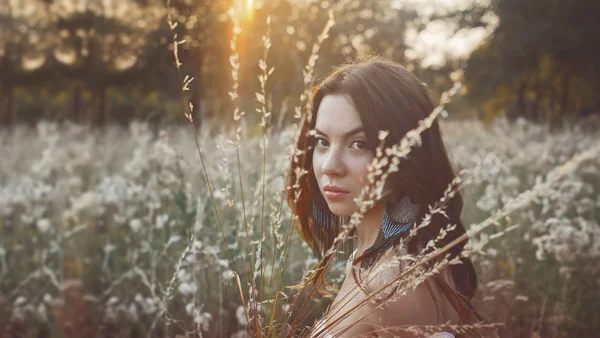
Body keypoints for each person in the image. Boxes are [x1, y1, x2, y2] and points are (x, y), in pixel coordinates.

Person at [286, 56, 482, 337]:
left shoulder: (393, 282)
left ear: (407, 154)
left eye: (359, 144)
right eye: (322, 142)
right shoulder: (376, 256)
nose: (330, 165)